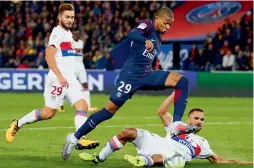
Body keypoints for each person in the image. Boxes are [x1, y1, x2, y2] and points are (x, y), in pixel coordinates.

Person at [62, 7, 193, 160]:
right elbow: (132, 34)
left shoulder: (158, 36)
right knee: (108, 112)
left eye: (170, 25)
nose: (168, 27)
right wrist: (145, 41)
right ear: (157, 19)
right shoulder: (147, 25)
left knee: (182, 81)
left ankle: (175, 124)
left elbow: (146, 55)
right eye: (166, 23)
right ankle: (74, 138)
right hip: (129, 78)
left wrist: (154, 63)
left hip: (146, 75)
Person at [5, 3, 99, 150]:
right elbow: (49, 56)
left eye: (72, 17)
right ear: (59, 17)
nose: (70, 20)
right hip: (58, 79)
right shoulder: (57, 32)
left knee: (82, 106)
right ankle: (17, 123)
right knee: (48, 113)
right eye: (67, 17)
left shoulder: (68, 34)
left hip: (70, 79)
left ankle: (80, 139)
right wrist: (60, 76)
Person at [79, 91, 253, 167]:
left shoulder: (203, 143)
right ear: (189, 119)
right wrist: (174, 94)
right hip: (160, 143)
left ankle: (144, 161)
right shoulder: (176, 125)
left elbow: (217, 160)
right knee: (128, 131)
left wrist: (241, 163)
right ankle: (99, 158)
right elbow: (161, 111)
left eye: (202, 119)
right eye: (196, 118)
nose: (199, 121)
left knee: (171, 156)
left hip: (174, 157)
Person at [57, 29, 97, 113]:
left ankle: (88, 106)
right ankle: (60, 105)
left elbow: (84, 46)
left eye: (77, 34)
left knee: (85, 85)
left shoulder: (80, 43)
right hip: (72, 67)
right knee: (66, 86)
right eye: (74, 34)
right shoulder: (69, 43)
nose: (76, 35)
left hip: (81, 67)